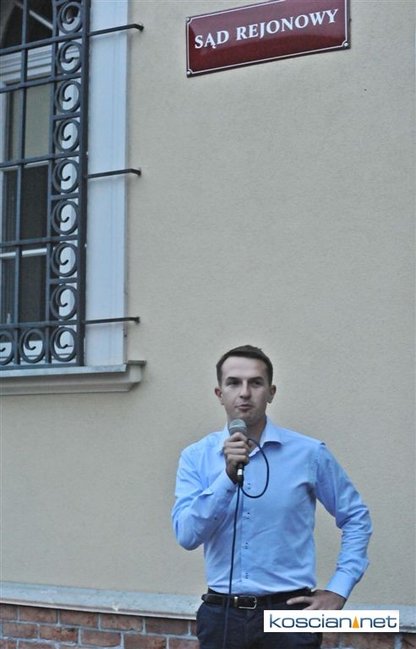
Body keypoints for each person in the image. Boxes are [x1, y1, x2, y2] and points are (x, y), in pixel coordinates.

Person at [172, 345, 372, 649]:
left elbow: (356, 517)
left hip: (288, 615)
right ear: (219, 393)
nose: (244, 393)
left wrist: (339, 590)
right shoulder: (196, 457)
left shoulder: (309, 453)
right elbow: (187, 535)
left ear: (271, 392)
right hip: (221, 615)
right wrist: (227, 477)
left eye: (255, 383)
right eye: (233, 383)